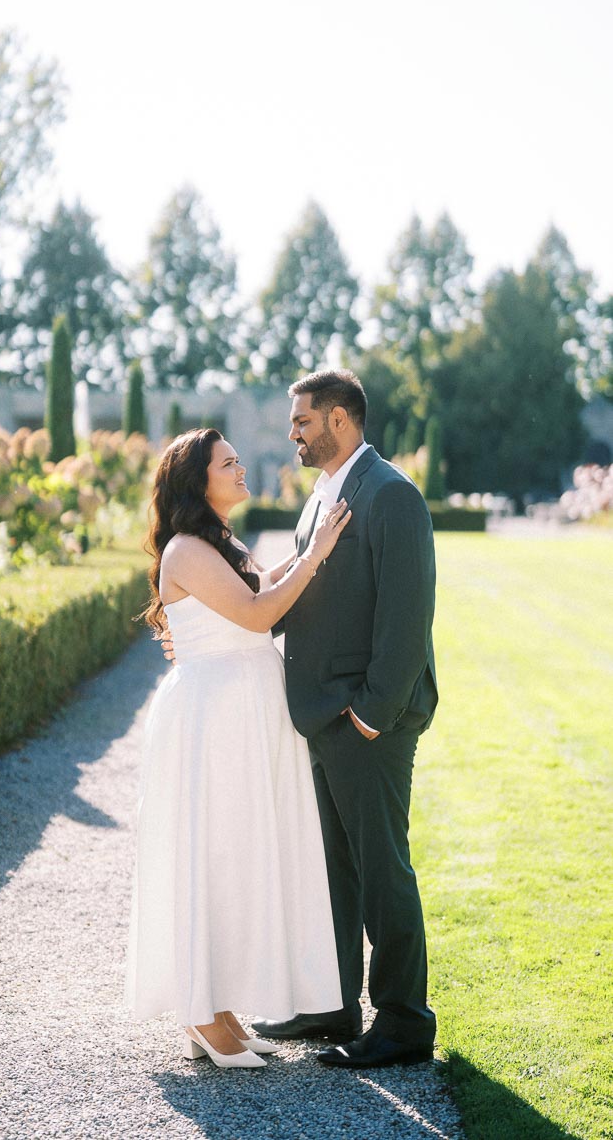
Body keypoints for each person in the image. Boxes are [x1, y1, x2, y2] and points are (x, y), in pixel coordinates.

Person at [125, 428, 352, 1068]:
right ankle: (200, 1013)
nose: (241, 466)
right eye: (228, 463)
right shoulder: (187, 550)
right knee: (213, 852)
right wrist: (317, 555)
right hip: (212, 719)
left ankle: (219, 1008)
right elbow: (256, 613)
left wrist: (308, 549)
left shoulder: (219, 543)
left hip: (241, 710)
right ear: (200, 481)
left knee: (236, 853)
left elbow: (257, 584)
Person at [251, 368, 438, 1068]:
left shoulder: (390, 495)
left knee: (382, 868)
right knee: (332, 869)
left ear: (339, 418)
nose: (293, 433)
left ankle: (404, 1021)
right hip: (322, 718)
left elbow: (407, 615)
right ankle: (333, 1006)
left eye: (302, 420)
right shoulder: (323, 497)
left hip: (365, 722)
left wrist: (371, 714)